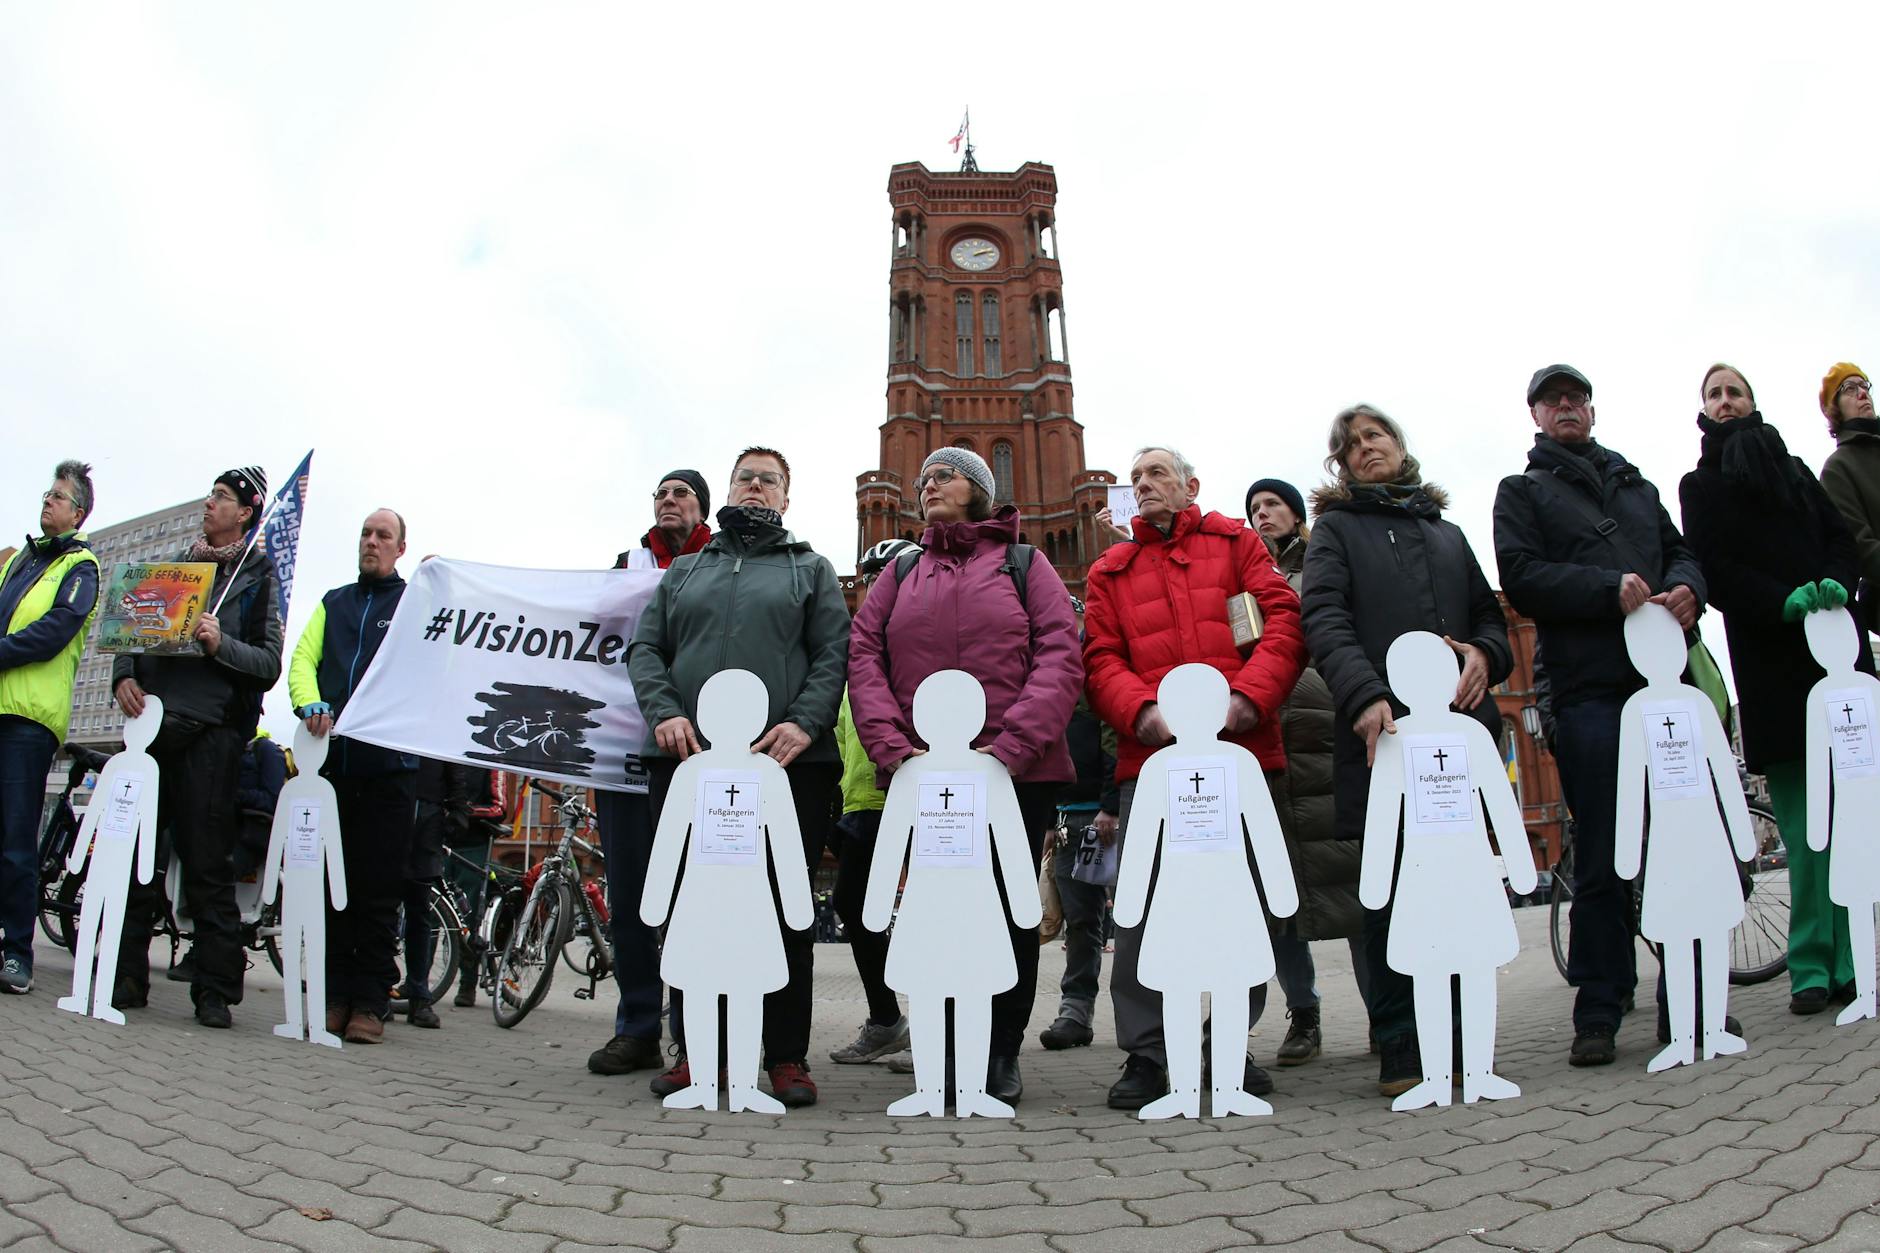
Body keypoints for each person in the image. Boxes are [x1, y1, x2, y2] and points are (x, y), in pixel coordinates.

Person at [848, 447, 1084, 1105]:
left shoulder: (1024, 564)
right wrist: (894, 750)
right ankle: (944, 1045)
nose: (927, 484)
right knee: (936, 905)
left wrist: (1009, 749)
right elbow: (863, 655)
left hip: (1015, 772)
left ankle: (1000, 1051)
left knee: (1009, 911)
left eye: (943, 475)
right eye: (922, 477)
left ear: (978, 489)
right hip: (927, 773)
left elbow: (1061, 652)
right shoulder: (900, 572)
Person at [1493, 365, 1706, 1067]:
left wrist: (1686, 591)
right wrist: (1604, 586)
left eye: (1576, 397)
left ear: (1590, 407)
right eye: (1553, 399)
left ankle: (1691, 994)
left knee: (1679, 839)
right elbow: (1521, 575)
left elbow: (1680, 553)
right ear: (1535, 414)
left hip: (1663, 684)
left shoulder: (1636, 485)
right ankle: (1600, 1004)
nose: (1566, 407)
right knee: (1606, 852)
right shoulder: (1523, 492)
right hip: (1588, 691)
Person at [1083, 445, 1308, 1110]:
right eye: (1136, 477)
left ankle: (1226, 1041)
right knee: (1145, 906)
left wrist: (1249, 699)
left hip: (1239, 749)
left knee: (1248, 898)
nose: (1143, 483)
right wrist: (1139, 710)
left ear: (1191, 485)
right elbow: (1099, 656)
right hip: (1152, 761)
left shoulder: (1235, 543)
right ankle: (1149, 1051)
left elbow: (1283, 621)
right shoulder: (1111, 569)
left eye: (1156, 472)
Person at [1301, 405, 1512, 1099]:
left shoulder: (1445, 532)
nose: (1366, 449)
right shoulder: (1335, 529)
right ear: (1341, 463)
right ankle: (1401, 1041)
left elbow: (1488, 613)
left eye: (1375, 437)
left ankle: (1461, 1036)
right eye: (1352, 445)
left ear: (1399, 445)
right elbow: (1323, 615)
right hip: (1383, 736)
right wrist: (1362, 694)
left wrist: (1486, 652)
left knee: (1457, 882)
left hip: (1454, 734)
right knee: (1390, 894)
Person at [628, 446, 849, 1108]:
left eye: (769, 480)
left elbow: (833, 651)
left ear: (787, 497)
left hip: (786, 765)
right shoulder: (687, 570)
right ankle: (697, 1048)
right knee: (695, 903)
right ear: (728, 490)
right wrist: (664, 712)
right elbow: (646, 648)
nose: (756, 487)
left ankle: (784, 1055)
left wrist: (806, 722)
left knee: (785, 907)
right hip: (690, 759)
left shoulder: (810, 569)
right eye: (746, 477)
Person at [1679, 363, 1866, 1014]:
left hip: (1834, 657)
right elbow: (1715, 571)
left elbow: (1840, 539)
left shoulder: (1794, 468)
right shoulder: (1699, 485)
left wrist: (1836, 582)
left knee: (1850, 820)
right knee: (1807, 828)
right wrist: (1781, 600)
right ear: (1704, 409)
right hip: (1773, 664)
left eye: (1735, 391)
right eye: (1714, 393)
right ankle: (1814, 959)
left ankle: (1851, 956)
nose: (1726, 401)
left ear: (1753, 401)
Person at [114, 467, 282, 1027]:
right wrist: (123, 677)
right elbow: (128, 630)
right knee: (140, 858)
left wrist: (220, 644)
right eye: (211, 495)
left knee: (207, 863)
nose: (210, 504)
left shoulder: (257, 577)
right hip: (155, 728)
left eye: (223, 498)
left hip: (213, 736)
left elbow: (268, 665)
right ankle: (125, 975)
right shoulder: (174, 568)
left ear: (246, 512)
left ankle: (214, 989)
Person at [588, 470, 713, 1078]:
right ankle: (636, 1026)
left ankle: (693, 1035)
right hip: (621, 754)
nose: (669, 500)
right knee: (632, 896)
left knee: (693, 893)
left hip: (697, 753)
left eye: (682, 493)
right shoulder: (625, 563)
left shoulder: (723, 561)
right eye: (661, 493)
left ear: (703, 509)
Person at [1244, 476, 1369, 1067]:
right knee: (1282, 900)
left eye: (1271, 505)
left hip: (1325, 734)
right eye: (1254, 509)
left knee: (1357, 885)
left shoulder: (1323, 564)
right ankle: (1305, 1013)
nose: (1262, 514)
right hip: (1270, 739)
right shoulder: (1241, 577)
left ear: (1295, 513)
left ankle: (1383, 1012)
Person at [286, 507, 417, 1044]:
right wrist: (307, 702)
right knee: (329, 886)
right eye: (365, 532)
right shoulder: (333, 602)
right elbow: (302, 661)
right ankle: (334, 995)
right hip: (332, 769)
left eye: (383, 535)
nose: (371, 541)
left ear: (400, 548)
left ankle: (370, 1001)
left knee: (377, 892)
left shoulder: (414, 603)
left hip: (390, 770)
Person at [0, 461, 101, 994]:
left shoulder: (82, 567)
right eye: (46, 492)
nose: (48, 502)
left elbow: (53, 631)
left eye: (58, 496)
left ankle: (17, 953)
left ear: (78, 512)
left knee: (16, 840)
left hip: (29, 720)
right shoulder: (16, 562)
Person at [825, 538, 922, 1070]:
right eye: (870, 575)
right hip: (863, 801)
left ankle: (938, 1027)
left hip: (915, 795)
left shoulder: (920, 642)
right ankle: (887, 1021)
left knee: (930, 913)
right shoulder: (857, 646)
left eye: (888, 573)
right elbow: (845, 734)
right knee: (853, 908)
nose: (876, 583)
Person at [1038, 595, 1120, 1053]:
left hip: (1104, 816)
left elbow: (1113, 735)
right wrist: (1051, 817)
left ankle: (1146, 1009)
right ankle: (1076, 1011)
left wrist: (1111, 804)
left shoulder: (1096, 663)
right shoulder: (1050, 669)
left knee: (1129, 916)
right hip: (1072, 816)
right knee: (1083, 919)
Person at [1817, 364, 1880, 630]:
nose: (1862, 393)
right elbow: (1860, 547)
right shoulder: (1837, 468)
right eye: (1849, 388)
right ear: (1835, 408)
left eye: (1864, 386)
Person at [447, 766, 509, 1008]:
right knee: (427, 912)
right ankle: (417, 982)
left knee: (469, 915)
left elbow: (499, 807)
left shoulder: (490, 760)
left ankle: (468, 983)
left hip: (473, 844)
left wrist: (461, 811)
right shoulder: (445, 750)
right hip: (441, 838)